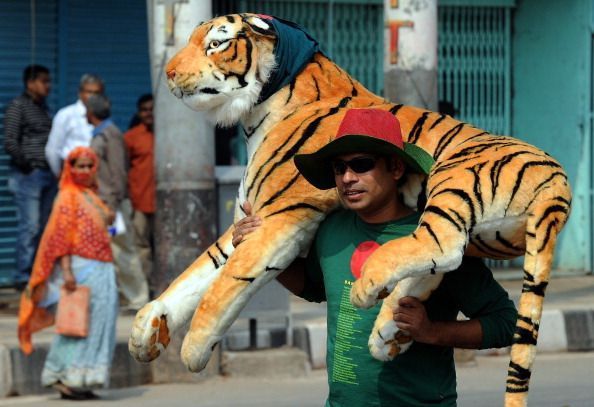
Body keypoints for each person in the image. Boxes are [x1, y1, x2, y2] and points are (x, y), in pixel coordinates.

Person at [233, 108, 517, 406]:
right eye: (339, 168)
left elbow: (506, 323)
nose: (347, 178)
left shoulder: (435, 240)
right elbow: (316, 287)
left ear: (395, 168)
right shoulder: (333, 229)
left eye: (361, 165)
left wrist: (431, 331)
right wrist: (261, 250)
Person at [17, 147, 118, 400]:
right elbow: (60, 238)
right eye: (79, 166)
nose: (84, 171)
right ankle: (64, 377)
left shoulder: (90, 195)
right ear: (69, 168)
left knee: (101, 323)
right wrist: (67, 272)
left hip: (102, 266)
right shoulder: (67, 196)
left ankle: (82, 380)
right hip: (81, 268)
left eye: (88, 166)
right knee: (77, 324)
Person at [86, 94, 149, 311]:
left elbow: (118, 173)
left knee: (123, 249)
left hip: (112, 207)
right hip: (104, 205)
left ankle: (138, 298)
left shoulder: (109, 135)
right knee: (110, 250)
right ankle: (119, 296)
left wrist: (112, 207)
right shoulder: (103, 133)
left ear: (90, 113)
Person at [4, 64, 58, 290]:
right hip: (30, 175)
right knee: (31, 226)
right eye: (44, 81)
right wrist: (26, 165)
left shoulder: (44, 108)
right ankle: (23, 276)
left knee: (44, 227)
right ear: (30, 83)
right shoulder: (19, 106)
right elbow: (10, 140)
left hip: (47, 174)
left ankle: (37, 274)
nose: (48, 86)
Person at [123, 94, 156, 294]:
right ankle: (147, 289)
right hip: (140, 202)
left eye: (152, 109)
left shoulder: (169, 134)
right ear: (139, 113)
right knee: (141, 248)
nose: (148, 113)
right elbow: (123, 169)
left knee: (162, 248)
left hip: (165, 204)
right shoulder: (131, 138)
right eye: (144, 110)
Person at [45, 73, 104, 178]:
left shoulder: (103, 118)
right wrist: (60, 175)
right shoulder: (66, 115)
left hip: (95, 176)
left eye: (97, 93)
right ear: (80, 93)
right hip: (71, 174)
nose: (93, 97)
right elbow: (52, 150)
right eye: (89, 92)